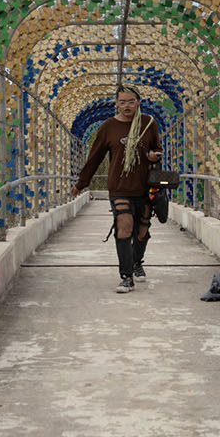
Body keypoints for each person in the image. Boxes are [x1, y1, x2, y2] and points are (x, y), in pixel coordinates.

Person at [71, 85, 162, 292]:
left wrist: (152, 155)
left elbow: (158, 148)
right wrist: (81, 183)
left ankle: (137, 262)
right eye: (122, 102)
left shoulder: (149, 123)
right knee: (124, 225)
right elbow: (94, 158)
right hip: (119, 187)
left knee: (142, 230)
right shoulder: (108, 127)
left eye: (131, 101)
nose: (126, 106)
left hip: (145, 186)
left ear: (138, 102)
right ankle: (126, 276)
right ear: (117, 104)